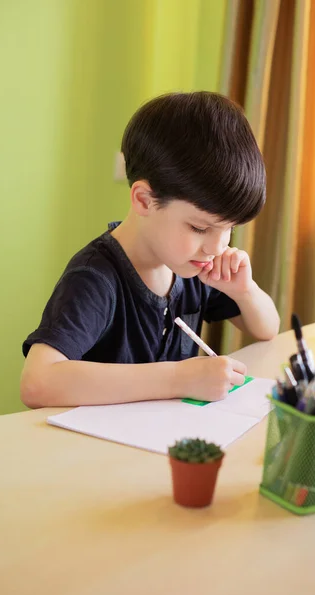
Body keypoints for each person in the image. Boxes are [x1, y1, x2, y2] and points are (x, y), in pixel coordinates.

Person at [20, 92, 280, 408]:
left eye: (230, 228)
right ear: (144, 200)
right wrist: (179, 379)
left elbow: (267, 330)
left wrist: (245, 292)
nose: (218, 246)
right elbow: (37, 383)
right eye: (200, 228)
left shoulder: (192, 263)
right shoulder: (95, 277)